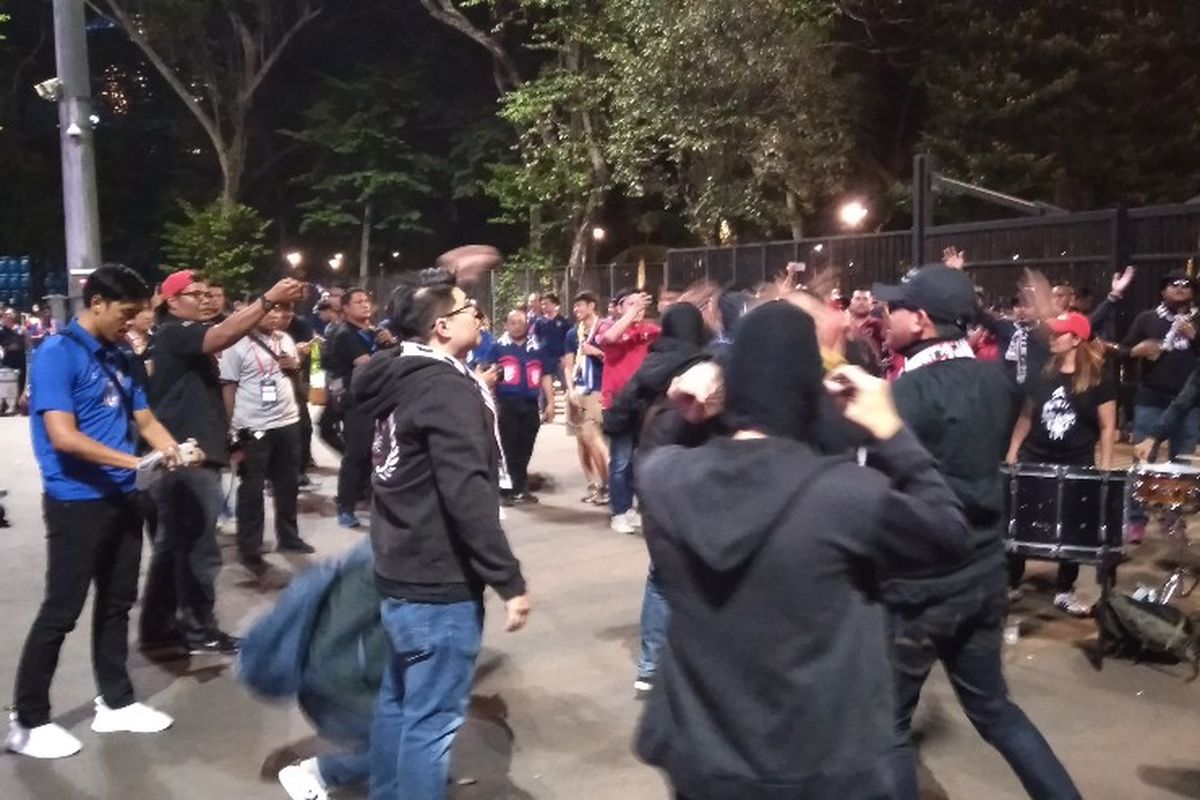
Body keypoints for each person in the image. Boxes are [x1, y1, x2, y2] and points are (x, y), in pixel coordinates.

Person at [634, 301, 969, 799]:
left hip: (702, 759)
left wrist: (687, 411)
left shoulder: (664, 480)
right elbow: (948, 534)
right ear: (808, 392)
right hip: (817, 762)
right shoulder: (843, 495)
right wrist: (891, 432)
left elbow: (658, 447)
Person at [874, 264, 1080, 800]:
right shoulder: (999, 383)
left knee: (888, 728)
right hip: (984, 569)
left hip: (920, 584)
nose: (884, 314)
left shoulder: (905, 394)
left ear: (919, 320)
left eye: (893, 308)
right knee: (996, 711)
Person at [351, 271, 530, 800]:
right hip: (437, 580)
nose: (479, 312)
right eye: (468, 305)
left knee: (400, 703)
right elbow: (467, 494)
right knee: (431, 722)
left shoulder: (404, 374)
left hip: (401, 568)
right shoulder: (445, 387)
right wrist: (508, 579)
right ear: (441, 326)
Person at [7, 265, 190, 759]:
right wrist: (133, 460)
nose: (131, 325)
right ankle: (27, 719)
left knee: (116, 603)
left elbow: (145, 418)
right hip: (75, 502)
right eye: (125, 314)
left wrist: (172, 449)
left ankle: (116, 702)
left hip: (124, 496)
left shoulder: (121, 354)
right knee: (62, 609)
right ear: (97, 304)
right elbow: (63, 436)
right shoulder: (56, 354)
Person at [139, 269, 305, 655]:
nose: (202, 299)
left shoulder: (175, 333)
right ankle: (200, 630)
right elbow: (222, 335)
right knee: (198, 548)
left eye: (205, 293)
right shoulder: (175, 331)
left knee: (172, 547)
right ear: (170, 300)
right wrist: (268, 298)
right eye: (192, 293)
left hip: (190, 452)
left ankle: (158, 626)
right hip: (187, 456)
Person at [606, 303, 711, 694]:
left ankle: (651, 665)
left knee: (662, 571)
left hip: (652, 477)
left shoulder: (647, 370)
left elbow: (613, 419)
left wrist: (640, 423)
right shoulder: (709, 365)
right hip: (699, 478)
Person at [1006, 312, 1116, 616]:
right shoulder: (1043, 373)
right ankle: (1010, 582)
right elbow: (1027, 415)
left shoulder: (1098, 378)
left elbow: (1108, 427)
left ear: (1076, 339)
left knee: (1073, 526)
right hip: (1036, 456)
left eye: (1059, 334)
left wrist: (1104, 468)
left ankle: (1064, 589)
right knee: (1022, 522)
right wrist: (1014, 450)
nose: (1052, 338)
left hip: (1076, 460)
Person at [219, 302, 315, 569]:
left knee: (288, 484)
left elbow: (293, 375)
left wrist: (294, 366)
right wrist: (232, 427)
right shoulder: (236, 344)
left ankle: (289, 536)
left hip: (287, 421)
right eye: (270, 310)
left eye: (280, 311)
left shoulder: (285, 339)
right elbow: (229, 387)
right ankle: (250, 546)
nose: (277, 316)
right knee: (251, 488)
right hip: (253, 426)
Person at [1123, 270, 1199, 541]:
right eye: (1173, 284)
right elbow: (1123, 350)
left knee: (1182, 463)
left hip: (1189, 404)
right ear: (1162, 291)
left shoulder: (1198, 320)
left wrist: (1195, 337)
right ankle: (1135, 519)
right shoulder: (1147, 318)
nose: (1179, 288)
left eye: (1185, 285)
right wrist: (1135, 351)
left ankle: (1173, 517)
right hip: (1151, 399)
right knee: (1143, 459)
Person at [327, 288, 396, 528]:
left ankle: (368, 497)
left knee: (376, 453)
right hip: (356, 402)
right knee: (356, 454)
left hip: (378, 398)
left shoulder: (374, 331)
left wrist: (391, 344)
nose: (365, 305)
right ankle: (345, 507)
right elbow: (366, 365)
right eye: (358, 302)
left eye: (367, 300)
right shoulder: (344, 334)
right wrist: (390, 350)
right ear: (345, 308)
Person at [597, 288, 660, 534]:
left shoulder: (650, 330)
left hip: (643, 402)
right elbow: (611, 337)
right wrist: (632, 312)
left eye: (640, 304)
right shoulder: (607, 327)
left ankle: (632, 508)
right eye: (630, 304)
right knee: (621, 461)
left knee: (638, 459)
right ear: (619, 307)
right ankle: (619, 511)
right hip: (617, 404)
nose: (637, 308)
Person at [481, 308, 556, 505]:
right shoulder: (498, 348)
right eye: (512, 322)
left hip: (530, 404)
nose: (517, 326)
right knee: (507, 447)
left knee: (526, 446)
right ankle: (505, 490)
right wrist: (490, 403)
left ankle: (520, 487)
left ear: (527, 325)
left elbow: (546, 376)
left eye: (521, 322)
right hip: (506, 404)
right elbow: (487, 374)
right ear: (506, 325)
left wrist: (550, 403)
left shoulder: (538, 348)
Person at [562, 292, 609, 505]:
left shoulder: (605, 329)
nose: (576, 309)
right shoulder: (573, 334)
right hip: (577, 389)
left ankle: (608, 485)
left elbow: (615, 360)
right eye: (575, 306)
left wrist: (596, 352)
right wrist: (570, 390)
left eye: (580, 305)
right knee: (582, 441)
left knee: (592, 435)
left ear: (592, 305)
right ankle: (594, 485)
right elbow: (568, 364)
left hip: (597, 388)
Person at [280, 303, 317, 485]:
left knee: (304, 428)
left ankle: (300, 469)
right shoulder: (253, 334)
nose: (283, 319)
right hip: (265, 395)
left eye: (288, 316)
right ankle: (272, 476)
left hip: (294, 385)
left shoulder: (299, 327)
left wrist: (299, 357)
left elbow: (301, 361)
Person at [532, 292, 571, 379]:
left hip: (560, 359)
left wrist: (566, 357)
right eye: (542, 304)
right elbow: (535, 338)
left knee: (567, 384)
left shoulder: (563, 321)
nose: (544, 306)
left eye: (546, 304)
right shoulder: (539, 322)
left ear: (554, 304)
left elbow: (569, 341)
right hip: (545, 359)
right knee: (545, 387)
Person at [0, 307, 28, 396]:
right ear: (3, 316)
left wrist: (26, 334)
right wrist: (6, 348)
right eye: (7, 314)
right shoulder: (1, 331)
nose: (9, 316)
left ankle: (18, 402)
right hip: (7, 359)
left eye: (11, 314)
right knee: (7, 381)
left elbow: (27, 342)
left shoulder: (21, 329)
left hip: (20, 358)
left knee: (20, 381)